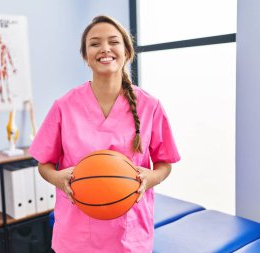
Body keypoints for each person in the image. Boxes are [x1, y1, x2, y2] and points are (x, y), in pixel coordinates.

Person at [28, 15, 180, 253]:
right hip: (76, 237)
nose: (105, 49)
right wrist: (58, 178)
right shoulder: (64, 106)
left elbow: (164, 163)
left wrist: (151, 178)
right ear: (85, 56)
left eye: (113, 42)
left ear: (127, 52)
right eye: (95, 43)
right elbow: (43, 163)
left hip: (130, 236)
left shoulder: (150, 106)